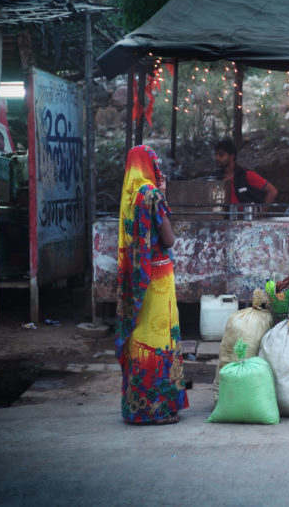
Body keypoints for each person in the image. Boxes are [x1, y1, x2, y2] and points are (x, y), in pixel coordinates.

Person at [116, 145, 188, 425]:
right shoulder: (152, 195)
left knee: (140, 337)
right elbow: (168, 240)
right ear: (150, 166)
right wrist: (164, 196)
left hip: (136, 280)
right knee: (160, 340)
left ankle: (136, 407)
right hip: (157, 279)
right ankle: (156, 409)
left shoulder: (129, 194)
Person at [214, 138, 278, 206]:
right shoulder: (214, 177)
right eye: (215, 154)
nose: (216, 158)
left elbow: (272, 191)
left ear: (231, 157)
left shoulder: (246, 175)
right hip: (220, 216)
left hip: (244, 216)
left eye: (221, 155)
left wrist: (260, 213)